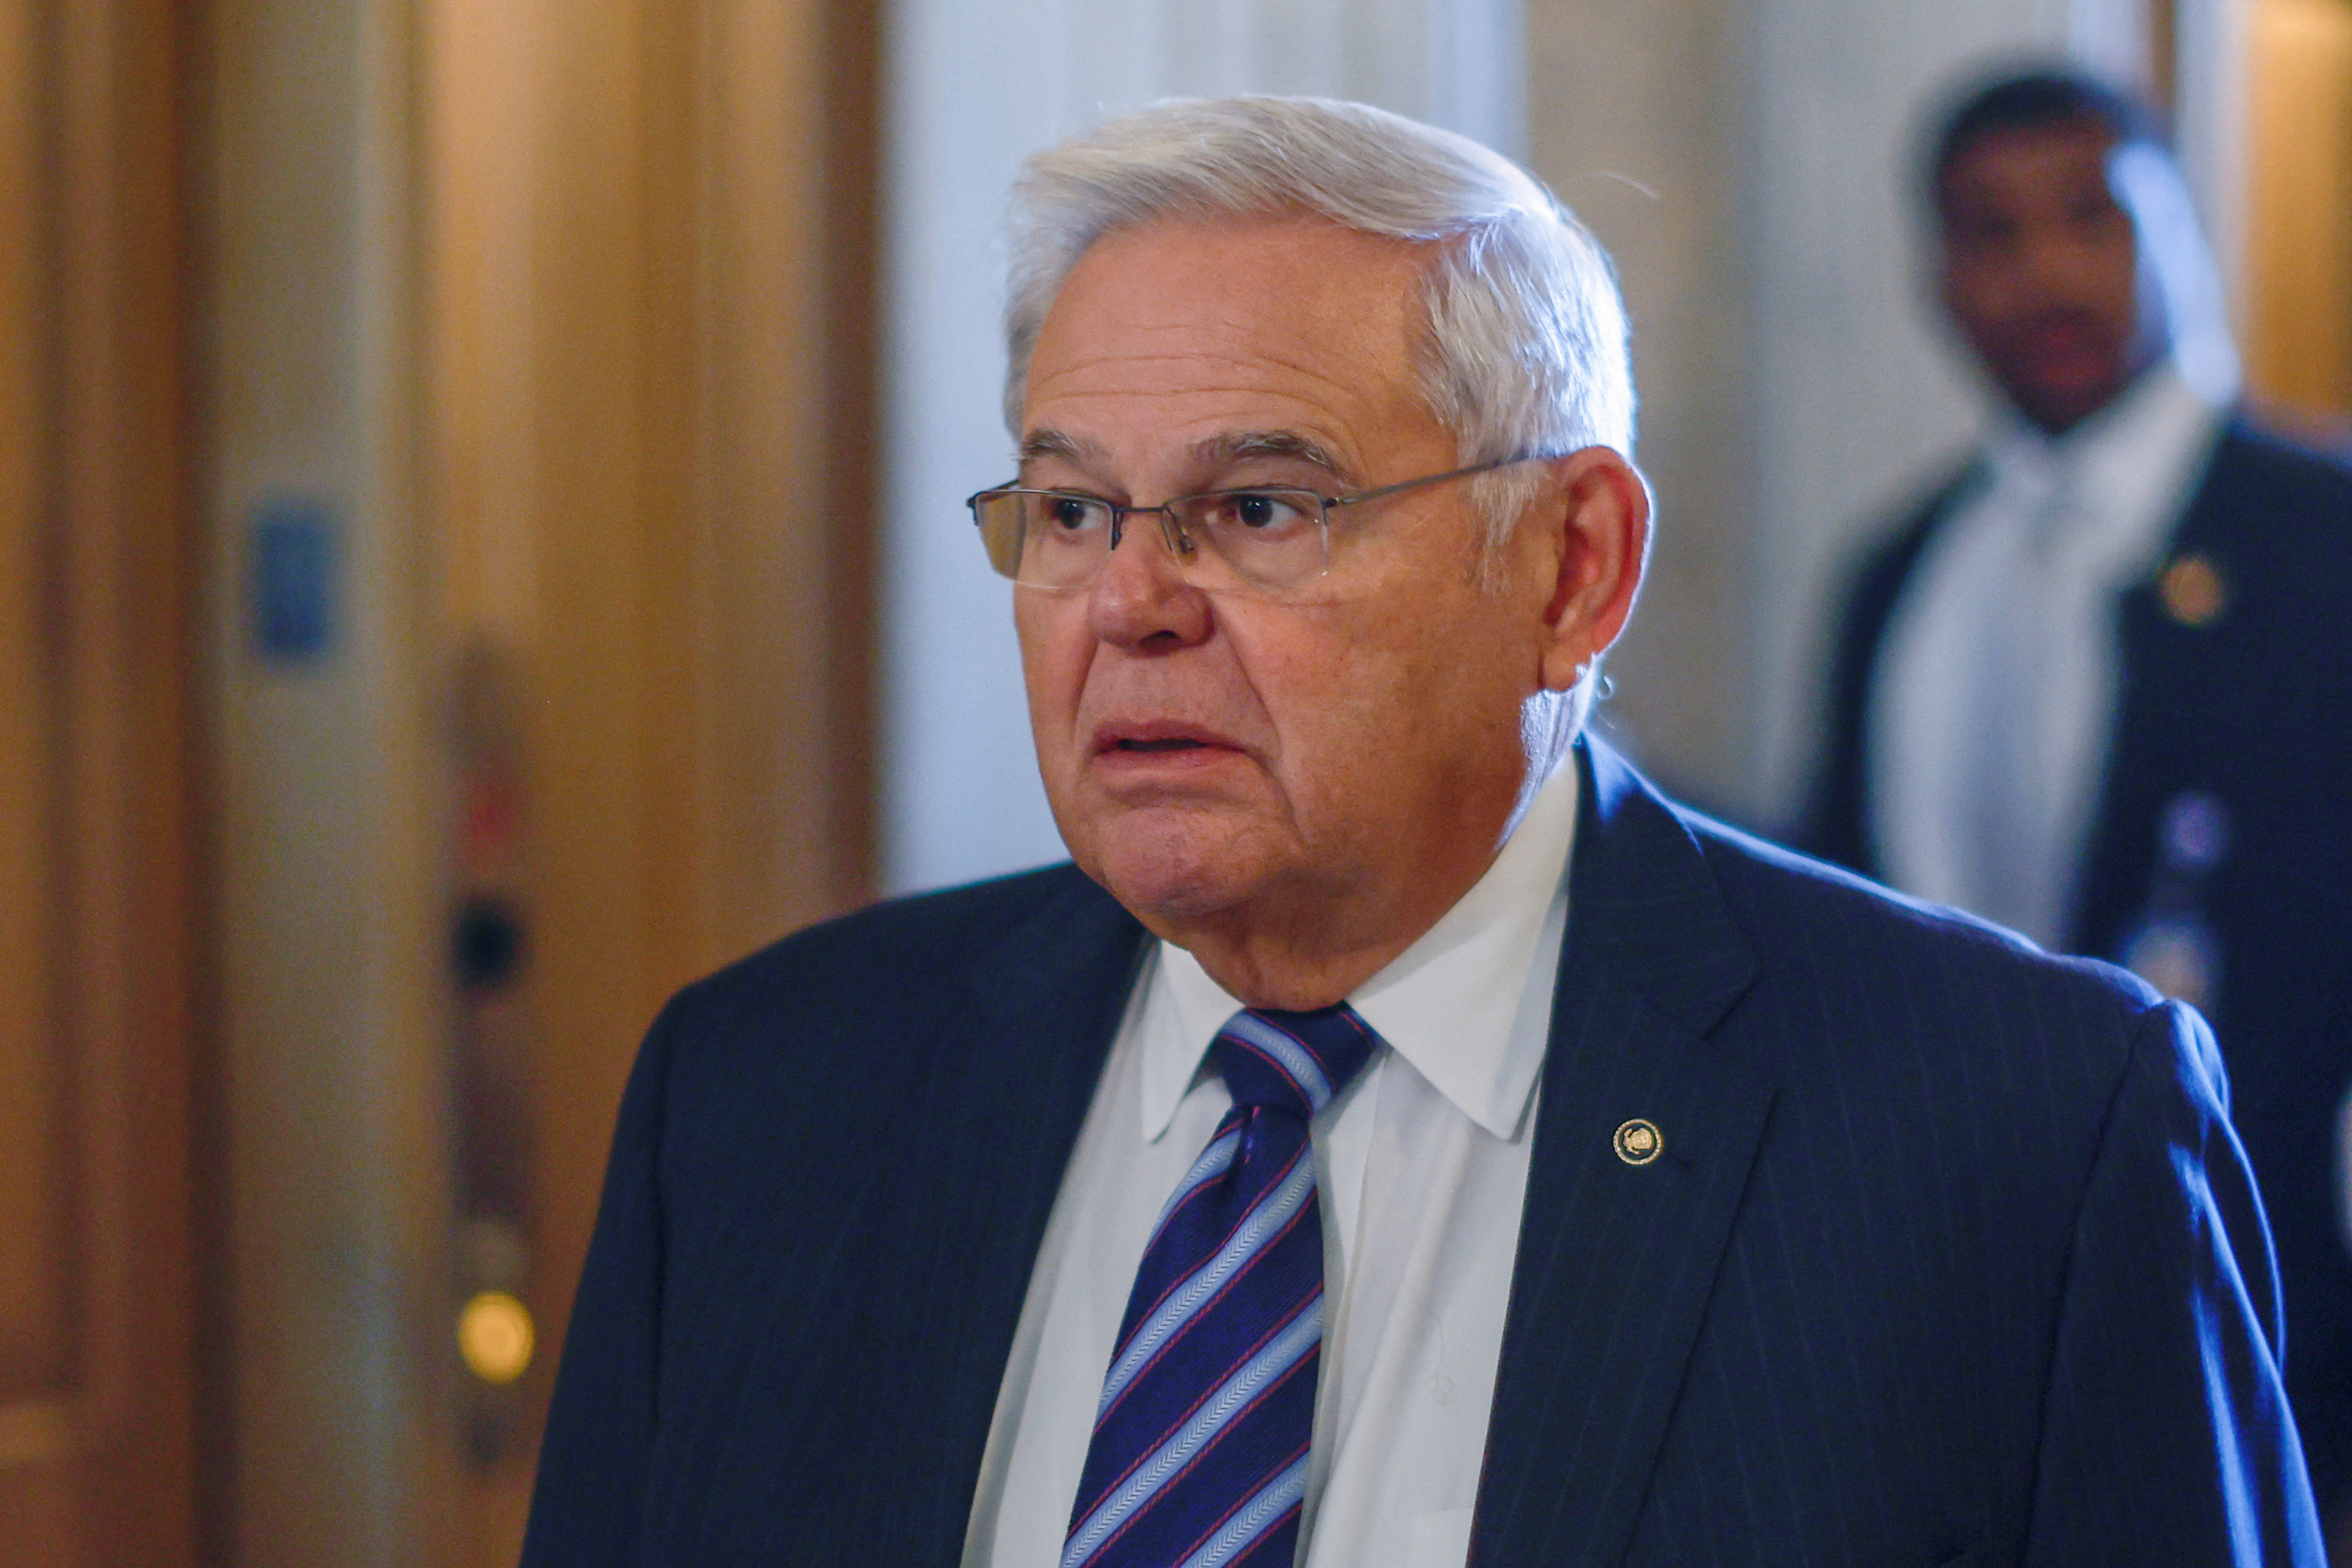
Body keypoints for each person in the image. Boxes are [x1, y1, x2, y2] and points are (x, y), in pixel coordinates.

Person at [522, 96, 2317, 1567]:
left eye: (1258, 504)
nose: (1128, 602)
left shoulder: (2026, 1139)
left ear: (1571, 567)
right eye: (1069, 508)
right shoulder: (761, 1097)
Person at [1807, 67, 2352, 1526]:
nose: (2043, 271)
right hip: (1947, 1338)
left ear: (2181, 230)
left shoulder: (2325, 541)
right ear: (1935, 278)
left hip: (2274, 1331)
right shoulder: (1896, 571)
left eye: (2090, 218)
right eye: (1990, 233)